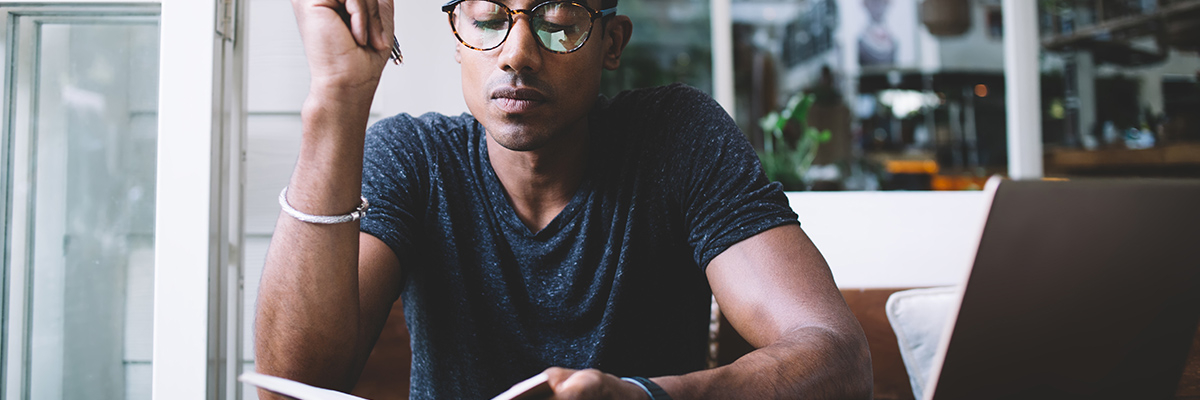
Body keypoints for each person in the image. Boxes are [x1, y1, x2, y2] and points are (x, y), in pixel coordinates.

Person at [255, 0, 872, 398]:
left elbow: (839, 361)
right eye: (488, 18)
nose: (518, 54)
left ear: (612, 42)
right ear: (456, 35)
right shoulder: (415, 159)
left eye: (558, 21)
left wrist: (645, 397)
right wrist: (336, 96)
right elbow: (289, 390)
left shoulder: (678, 138)